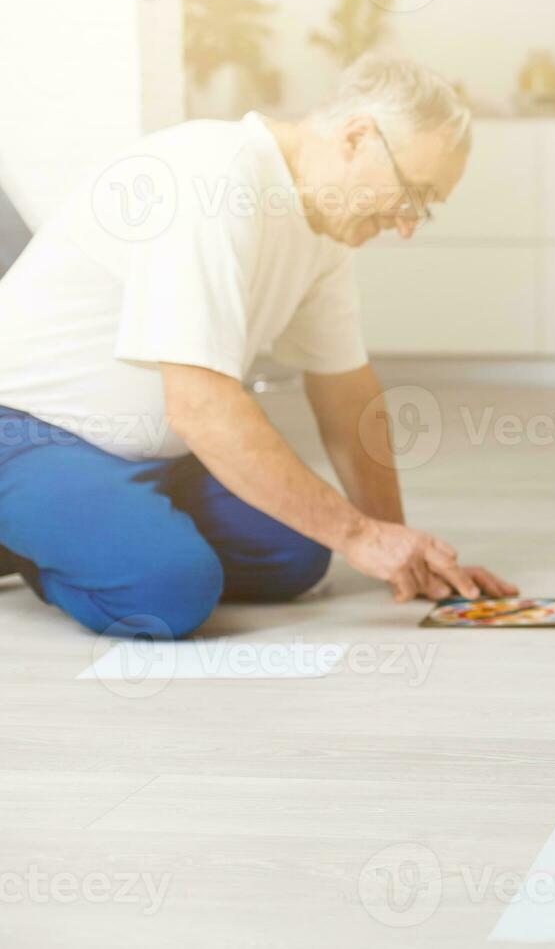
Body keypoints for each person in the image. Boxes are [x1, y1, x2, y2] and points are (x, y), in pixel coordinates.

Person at [0, 54, 516, 640]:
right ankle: (21, 541)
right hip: (26, 432)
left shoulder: (323, 227)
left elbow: (345, 393)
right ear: (357, 137)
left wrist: (394, 543)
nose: (407, 225)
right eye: (413, 195)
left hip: (158, 457)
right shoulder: (211, 180)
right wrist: (358, 536)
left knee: (297, 554)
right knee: (168, 592)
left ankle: (91, 527)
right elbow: (199, 404)